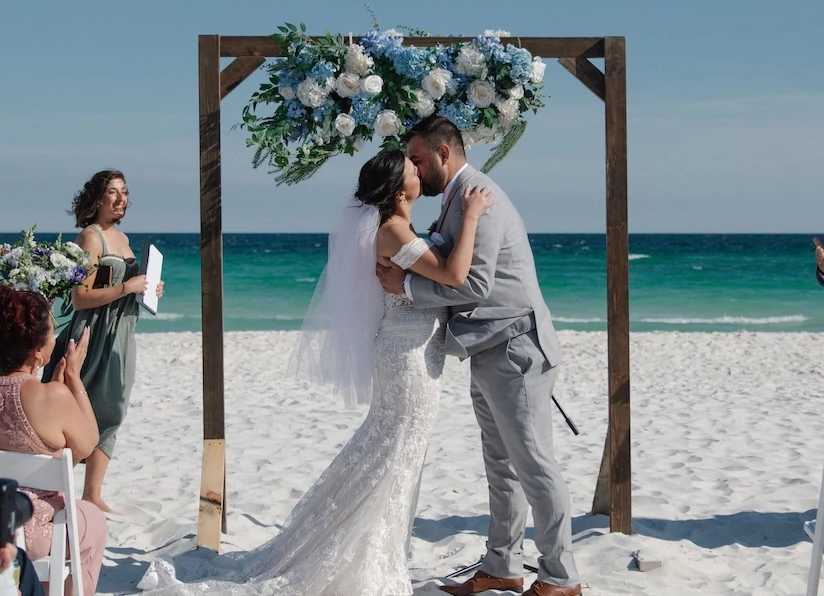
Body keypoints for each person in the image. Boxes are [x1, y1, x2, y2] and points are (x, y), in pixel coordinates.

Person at [137, 150, 494, 596]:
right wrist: (474, 215)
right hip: (406, 360)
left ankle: (381, 551)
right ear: (400, 191)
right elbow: (456, 273)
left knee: (393, 454)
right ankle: (366, 559)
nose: (419, 171)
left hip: (410, 353)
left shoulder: (395, 227)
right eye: (411, 169)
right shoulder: (394, 229)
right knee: (395, 455)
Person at [376, 115, 581, 596]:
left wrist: (406, 285)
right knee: (501, 465)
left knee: (533, 464)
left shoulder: (478, 198)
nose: (414, 167)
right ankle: (502, 566)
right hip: (487, 347)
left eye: (419, 159)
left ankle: (561, 578)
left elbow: (472, 282)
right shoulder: (454, 200)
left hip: (516, 348)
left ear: (443, 154)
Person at [42, 170, 164, 514]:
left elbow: (128, 289)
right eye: (113, 192)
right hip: (91, 335)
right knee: (79, 410)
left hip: (123, 334)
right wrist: (127, 287)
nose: (121, 198)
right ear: (97, 199)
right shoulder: (91, 238)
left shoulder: (123, 239)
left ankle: (92, 493)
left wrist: (148, 290)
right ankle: (55, 487)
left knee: (113, 410)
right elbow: (80, 298)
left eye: (125, 191)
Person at [0, 286, 107, 596]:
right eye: (51, 333)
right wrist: (73, 379)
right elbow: (88, 444)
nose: (55, 339)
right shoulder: (52, 395)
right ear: (37, 351)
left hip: (1, 522)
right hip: (33, 528)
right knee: (93, 521)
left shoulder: (46, 392)